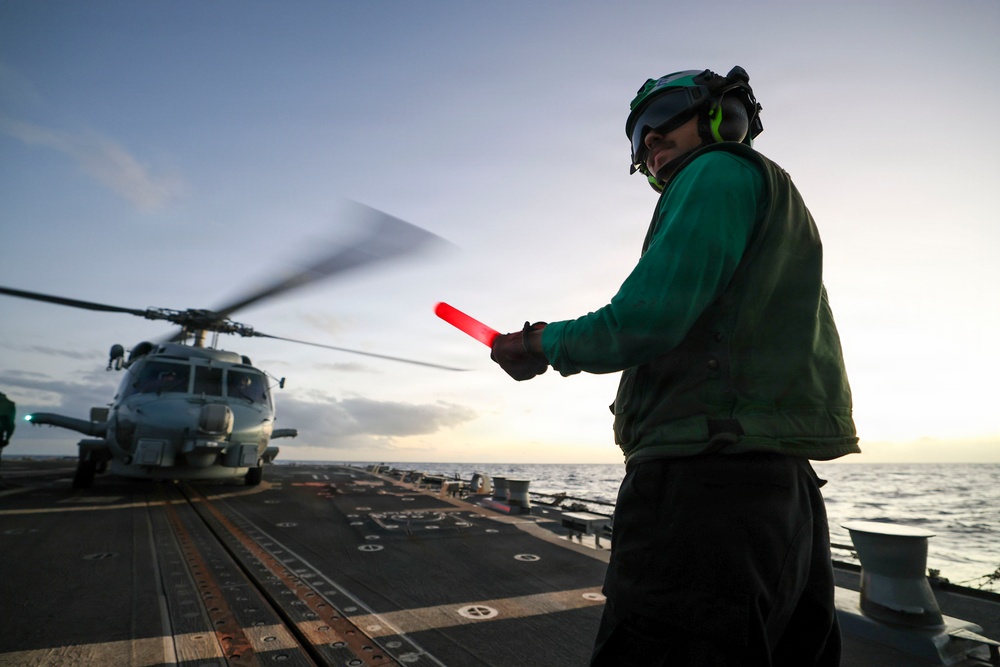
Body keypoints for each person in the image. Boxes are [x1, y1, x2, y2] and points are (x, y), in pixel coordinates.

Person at [490, 66, 860, 666]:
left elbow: (640, 321)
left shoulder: (716, 171)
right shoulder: (775, 199)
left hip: (703, 489)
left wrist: (536, 343)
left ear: (722, 115)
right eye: (638, 135)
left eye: (663, 116)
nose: (650, 140)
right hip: (782, 490)